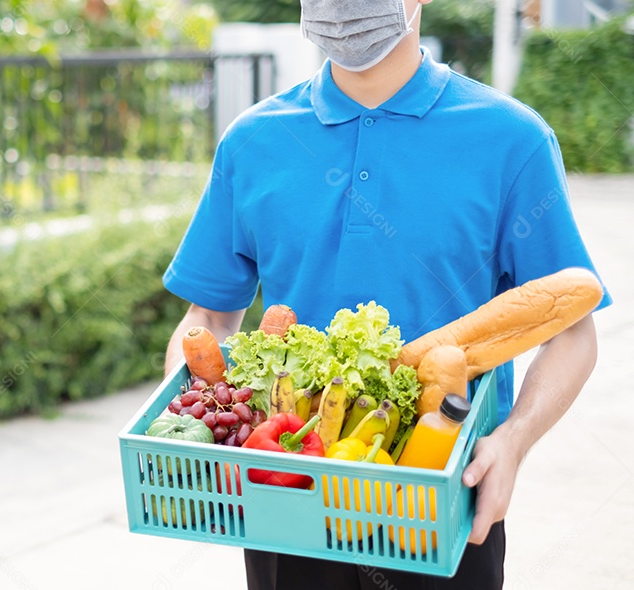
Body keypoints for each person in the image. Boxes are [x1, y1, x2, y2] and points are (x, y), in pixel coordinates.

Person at [160, 0, 612, 588]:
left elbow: (573, 332)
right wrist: (192, 425)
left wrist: (513, 443)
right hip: (284, 489)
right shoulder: (253, 141)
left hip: (442, 496)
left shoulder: (511, 140)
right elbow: (211, 317)